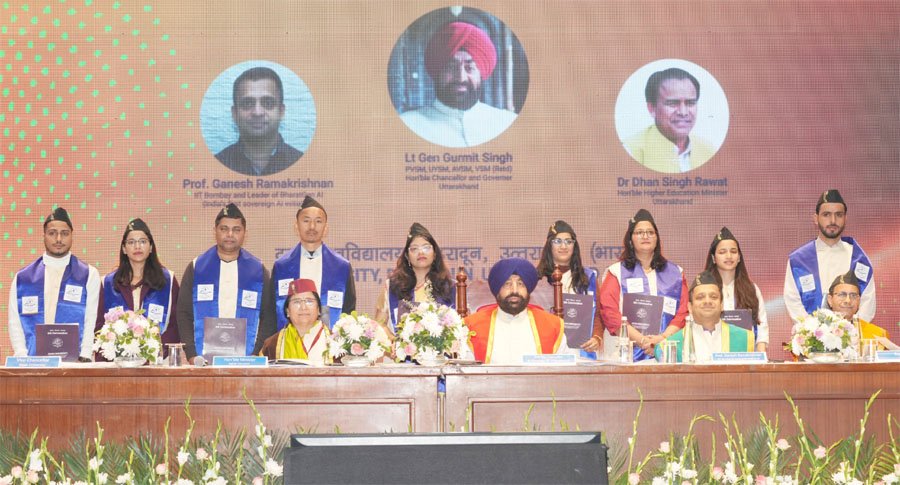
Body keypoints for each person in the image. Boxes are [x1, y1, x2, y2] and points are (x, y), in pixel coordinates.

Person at [176, 203, 275, 365]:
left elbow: (268, 316)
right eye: (224, 229)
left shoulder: (258, 270)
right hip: (203, 361)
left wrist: (256, 353)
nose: (230, 234)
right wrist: (191, 354)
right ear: (214, 231)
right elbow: (183, 313)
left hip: (247, 360)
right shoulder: (197, 267)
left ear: (245, 234)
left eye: (236, 230)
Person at [399, 21, 517, 147]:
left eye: (469, 68)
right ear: (438, 72)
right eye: (451, 67)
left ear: (481, 73)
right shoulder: (407, 125)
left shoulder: (507, 122)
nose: (461, 78)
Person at [592, 209, 689, 361]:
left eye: (650, 232)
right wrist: (643, 341)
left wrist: (662, 339)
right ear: (630, 240)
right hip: (626, 352)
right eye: (639, 232)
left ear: (657, 239)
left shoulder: (676, 273)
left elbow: (682, 313)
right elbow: (610, 314)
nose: (645, 236)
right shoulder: (616, 272)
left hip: (668, 350)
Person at [7, 207, 100, 360]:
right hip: (33, 362)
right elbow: (14, 322)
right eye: (52, 233)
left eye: (64, 233)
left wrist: (85, 355)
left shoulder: (88, 274)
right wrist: (22, 356)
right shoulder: (24, 278)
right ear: (44, 236)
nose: (58, 239)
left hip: (75, 363)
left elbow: (91, 319)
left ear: (72, 236)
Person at [784, 190, 875, 323]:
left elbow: (867, 302)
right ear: (816, 218)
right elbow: (793, 301)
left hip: (852, 334)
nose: (833, 220)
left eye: (839, 215)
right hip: (811, 334)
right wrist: (813, 330)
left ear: (845, 218)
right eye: (826, 215)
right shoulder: (799, 261)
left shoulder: (859, 259)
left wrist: (848, 331)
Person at [465, 258, 574, 364]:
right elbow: (464, 369)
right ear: (497, 290)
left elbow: (565, 367)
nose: (514, 290)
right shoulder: (472, 326)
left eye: (520, 284)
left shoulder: (552, 325)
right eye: (507, 284)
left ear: (528, 289)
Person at [97, 218, 180, 354]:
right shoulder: (108, 283)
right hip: (118, 360)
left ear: (151, 247)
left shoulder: (167, 280)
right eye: (131, 242)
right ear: (124, 248)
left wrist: (154, 349)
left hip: (158, 359)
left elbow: (176, 323)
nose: (137, 246)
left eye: (143, 241)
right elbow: (100, 325)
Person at [272, 196, 355, 330]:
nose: (312, 226)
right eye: (306, 221)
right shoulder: (282, 266)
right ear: (296, 226)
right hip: (290, 339)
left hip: (329, 339)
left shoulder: (341, 267)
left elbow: (348, 311)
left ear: (326, 228)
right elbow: (271, 313)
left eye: (318, 221)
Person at [215, 66, 303, 176]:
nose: (257, 112)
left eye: (268, 103)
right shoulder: (214, 167)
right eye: (247, 103)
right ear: (235, 114)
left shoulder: (305, 166)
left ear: (281, 112)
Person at [624, 67, 715, 173]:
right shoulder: (630, 152)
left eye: (690, 103)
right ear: (652, 108)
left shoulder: (708, 151)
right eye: (672, 103)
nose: (683, 112)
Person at [654, 271, 755, 363]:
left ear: (722, 305)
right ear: (690, 307)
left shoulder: (744, 338)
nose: (707, 301)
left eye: (713, 297)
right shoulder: (669, 346)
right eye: (700, 297)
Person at [374, 223, 455, 333]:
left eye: (426, 247)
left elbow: (462, 326)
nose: (421, 252)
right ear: (407, 256)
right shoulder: (392, 287)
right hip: (400, 344)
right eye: (414, 249)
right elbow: (379, 324)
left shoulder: (451, 287)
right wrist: (393, 340)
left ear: (435, 254)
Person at [535, 220, 600, 356]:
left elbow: (598, 314)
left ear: (574, 246)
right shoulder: (538, 278)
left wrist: (597, 337)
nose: (563, 246)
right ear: (549, 245)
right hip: (546, 351)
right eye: (558, 241)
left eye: (568, 241)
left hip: (581, 351)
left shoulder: (587, 277)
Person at [704, 227, 769, 352]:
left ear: (739, 257)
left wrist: (761, 356)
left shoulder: (752, 289)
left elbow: (762, 326)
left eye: (733, 251)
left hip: (746, 356)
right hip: (712, 355)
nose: (729, 256)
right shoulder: (704, 290)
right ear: (713, 258)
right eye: (722, 252)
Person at [258, 279, 330, 364]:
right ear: (287, 311)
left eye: (309, 301)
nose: (303, 307)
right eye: (296, 302)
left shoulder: (336, 342)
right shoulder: (272, 344)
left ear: (318, 310)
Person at [825, 271, 891, 349]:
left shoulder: (877, 335)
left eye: (853, 295)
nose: (848, 300)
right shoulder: (816, 332)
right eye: (842, 295)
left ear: (859, 301)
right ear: (830, 300)